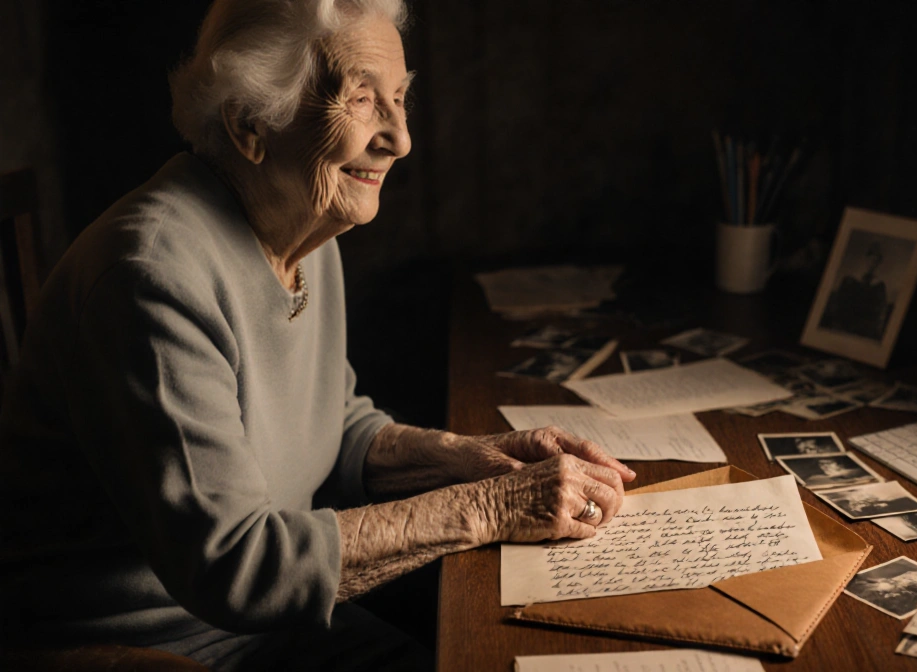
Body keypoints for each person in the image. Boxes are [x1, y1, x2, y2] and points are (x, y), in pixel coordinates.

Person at [0, 1, 635, 670]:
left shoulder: (303, 226)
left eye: (399, 99)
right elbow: (238, 570)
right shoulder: (152, 275)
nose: (400, 138)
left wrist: (477, 458)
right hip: (130, 643)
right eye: (364, 102)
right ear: (251, 123)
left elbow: (333, 423)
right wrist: (492, 507)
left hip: (266, 623)